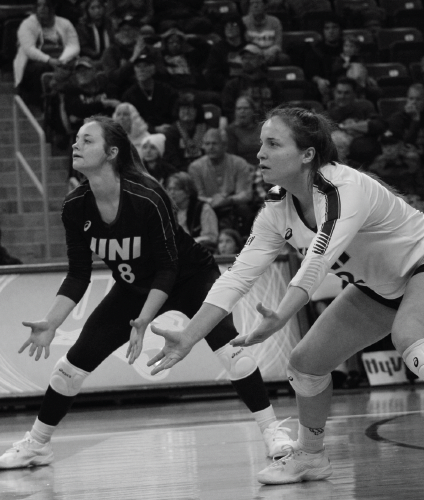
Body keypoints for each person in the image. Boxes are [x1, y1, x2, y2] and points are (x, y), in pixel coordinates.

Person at [148, 105, 424, 485]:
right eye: (261, 143)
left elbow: (317, 261)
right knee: (306, 364)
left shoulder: (342, 188)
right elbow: (238, 276)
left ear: (307, 154)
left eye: (273, 144)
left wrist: (280, 314)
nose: (259, 153)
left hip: (420, 266)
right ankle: (311, 458)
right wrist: (190, 336)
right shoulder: (278, 205)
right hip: (381, 288)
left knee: (409, 336)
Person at [0, 115, 292, 470]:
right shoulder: (75, 207)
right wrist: (51, 321)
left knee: (232, 351)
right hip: (135, 287)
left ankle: (273, 432)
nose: (75, 145)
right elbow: (79, 274)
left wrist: (143, 319)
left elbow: (168, 267)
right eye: (76, 139)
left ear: (111, 152)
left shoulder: (147, 196)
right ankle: (37, 445)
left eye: (86, 140)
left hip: (189, 276)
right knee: (69, 368)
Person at [14, 0, 80, 109]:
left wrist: (61, 60)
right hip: (36, 61)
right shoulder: (27, 25)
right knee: (40, 68)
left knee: (82, 64)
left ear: (52, 7)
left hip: (62, 59)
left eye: (45, 5)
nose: (42, 8)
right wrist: (49, 60)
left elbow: (74, 46)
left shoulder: (65, 23)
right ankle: (41, 104)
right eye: (39, 5)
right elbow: (29, 49)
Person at [188, 128, 254, 235]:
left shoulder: (239, 163)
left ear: (225, 146)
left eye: (214, 143)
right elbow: (198, 196)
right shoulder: (195, 167)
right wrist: (213, 201)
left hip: (232, 205)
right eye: (207, 144)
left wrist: (228, 200)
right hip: (207, 206)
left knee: (244, 209)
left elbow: (246, 194)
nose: (210, 147)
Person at [121, 47, 178, 134]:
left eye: (145, 66)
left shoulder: (167, 90)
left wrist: (170, 128)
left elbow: (176, 115)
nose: (141, 69)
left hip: (168, 132)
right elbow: (130, 122)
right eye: (138, 66)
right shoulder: (128, 95)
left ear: (153, 69)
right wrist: (154, 129)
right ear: (134, 70)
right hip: (141, 134)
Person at [166, 172, 219, 251]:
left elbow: (211, 238)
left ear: (188, 192)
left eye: (176, 189)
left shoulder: (203, 209)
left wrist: (188, 243)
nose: (172, 193)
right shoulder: (168, 211)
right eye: (169, 189)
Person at [163, 92, 207, 172]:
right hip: (181, 172)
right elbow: (171, 159)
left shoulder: (207, 130)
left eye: (190, 108)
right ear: (178, 111)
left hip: (205, 171)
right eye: (183, 108)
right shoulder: (171, 133)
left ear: (197, 111)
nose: (186, 111)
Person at [242, 0, 290, 67]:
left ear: (265, 6)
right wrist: (258, 54)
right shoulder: (243, 22)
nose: (255, 6)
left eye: (258, 2)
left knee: (283, 58)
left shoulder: (275, 21)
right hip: (252, 54)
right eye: (252, 3)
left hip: (271, 53)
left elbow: (278, 44)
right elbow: (243, 44)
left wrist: (269, 52)